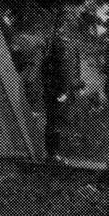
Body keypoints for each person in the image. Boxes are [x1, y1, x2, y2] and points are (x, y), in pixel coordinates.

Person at [40, 28, 73, 160]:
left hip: (50, 95)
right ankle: (54, 153)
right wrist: (63, 95)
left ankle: (51, 153)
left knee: (51, 123)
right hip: (57, 96)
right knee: (56, 124)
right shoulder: (60, 63)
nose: (64, 50)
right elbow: (64, 80)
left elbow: (44, 78)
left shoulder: (47, 61)